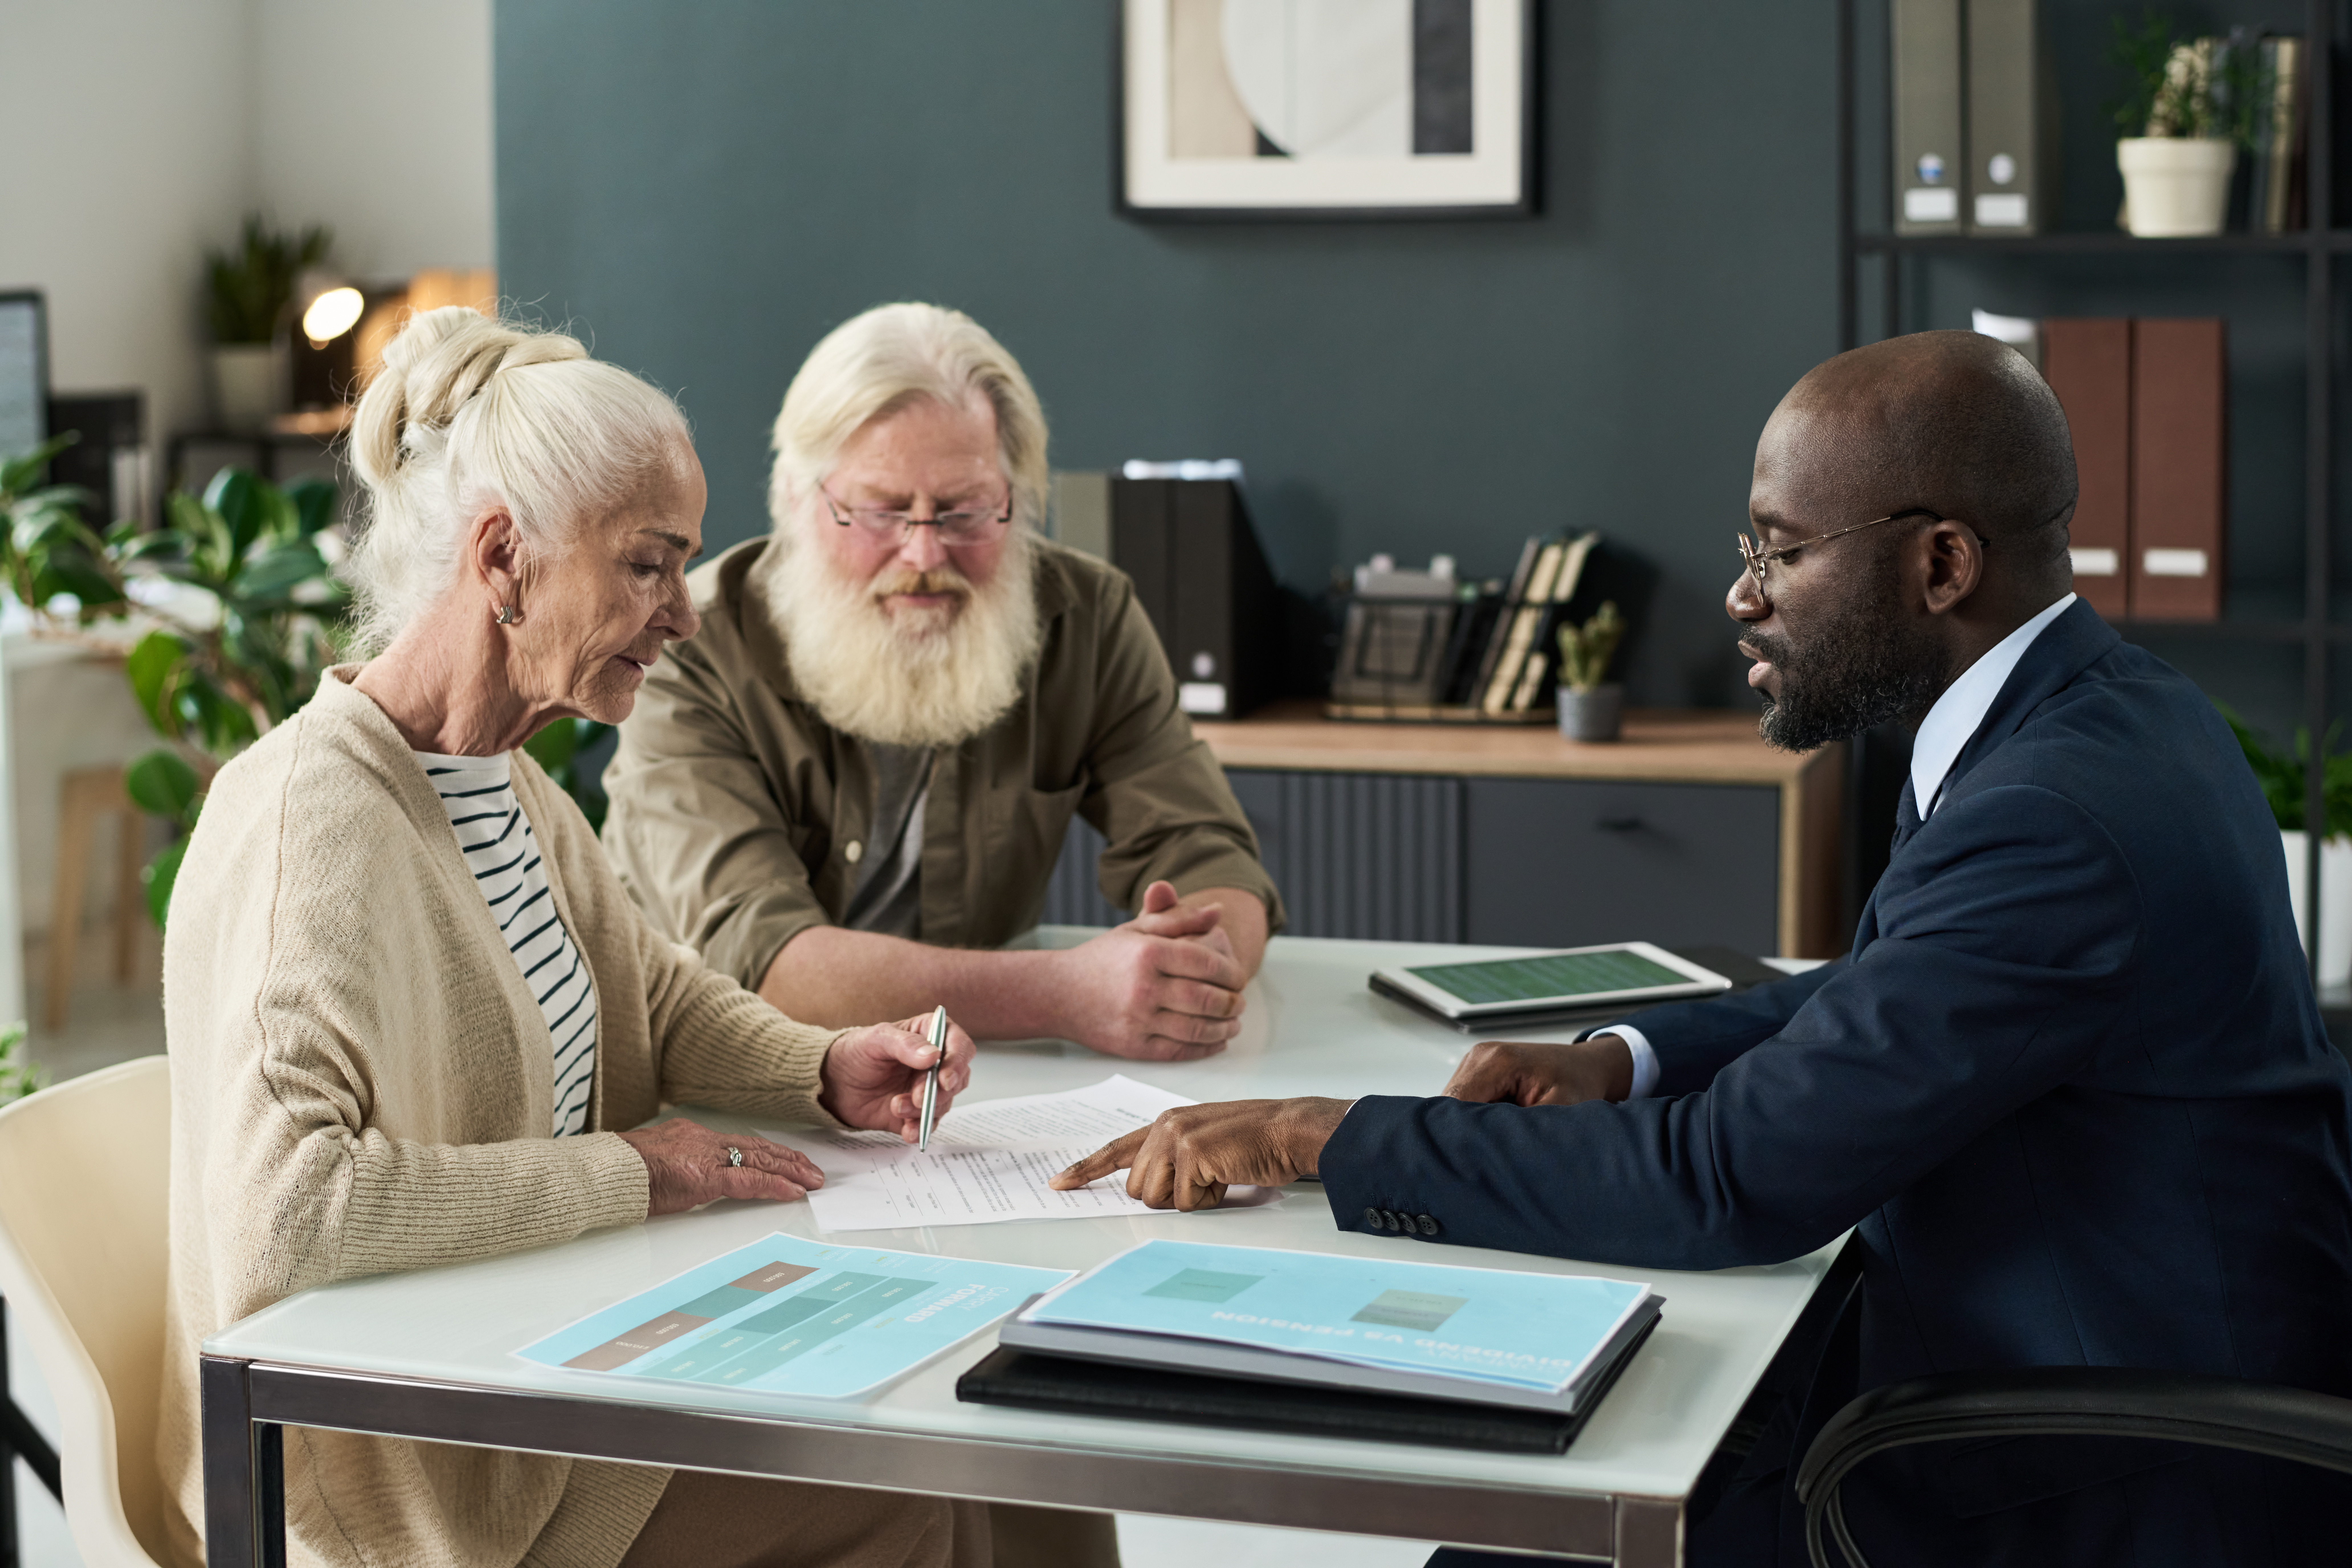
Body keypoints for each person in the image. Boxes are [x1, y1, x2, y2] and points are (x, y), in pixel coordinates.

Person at [1050, 330, 2352, 1566]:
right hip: (2048, 1361)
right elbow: (1900, 989)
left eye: (1784, 552)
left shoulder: (2050, 813)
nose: (1741, 591)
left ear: (1943, 565)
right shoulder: (2103, 715)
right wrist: (1625, 1057)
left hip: (2090, 1471)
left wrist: (1315, 1132)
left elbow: (1730, 1179)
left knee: (1534, 1523)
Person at [158, 308, 1104, 1568]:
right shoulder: (313, 817)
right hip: (420, 1471)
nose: (685, 614)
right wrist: (640, 1170)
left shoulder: (509, 781)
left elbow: (648, 995)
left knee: (1019, 1448)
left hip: (533, 1355)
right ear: (505, 557)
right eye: (648, 566)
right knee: (911, 1489)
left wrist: (819, 1067)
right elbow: (291, 1208)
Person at [600, 303, 1283, 1061]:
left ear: (1017, 503)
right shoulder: (690, 641)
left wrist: (1191, 967)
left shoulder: (1087, 616)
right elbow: (759, 958)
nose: (924, 555)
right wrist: (1066, 993)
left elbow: (1207, 850)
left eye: (963, 512)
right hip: (710, 1068)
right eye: (883, 512)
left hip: (972, 1079)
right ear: (797, 501)